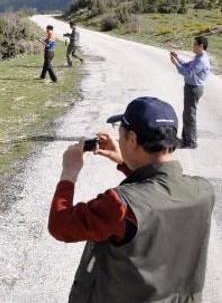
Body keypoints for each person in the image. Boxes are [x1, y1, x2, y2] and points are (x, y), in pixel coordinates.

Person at [49, 97, 214, 302]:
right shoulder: (203, 191)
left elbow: (61, 225)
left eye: (120, 134)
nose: (118, 140)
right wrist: (124, 161)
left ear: (133, 139)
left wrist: (69, 172)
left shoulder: (119, 204)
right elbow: (158, 193)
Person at [170, 36, 211, 149]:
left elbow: (188, 73)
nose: (192, 46)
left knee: (190, 115)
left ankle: (191, 142)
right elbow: (187, 65)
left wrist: (175, 64)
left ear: (201, 46)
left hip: (194, 89)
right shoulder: (198, 57)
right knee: (187, 114)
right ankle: (186, 139)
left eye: (194, 44)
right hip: (191, 88)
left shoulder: (202, 60)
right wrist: (178, 59)